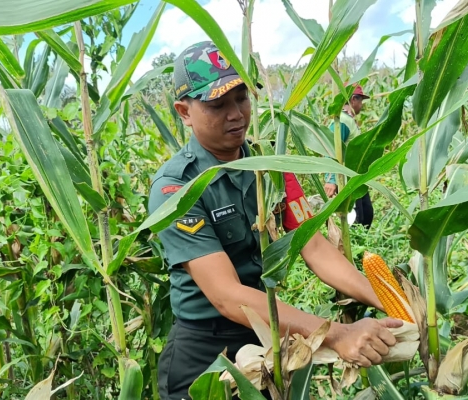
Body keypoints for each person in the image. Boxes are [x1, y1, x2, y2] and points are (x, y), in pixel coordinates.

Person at [147, 41, 403, 400]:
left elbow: (313, 245)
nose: (236, 114)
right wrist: (336, 334)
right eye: (218, 105)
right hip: (206, 349)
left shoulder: (270, 167)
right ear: (184, 112)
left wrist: (389, 297)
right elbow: (226, 296)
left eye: (242, 98)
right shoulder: (175, 188)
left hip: (266, 335)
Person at [323, 83, 374, 230]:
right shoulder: (342, 122)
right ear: (353, 99)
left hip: (356, 178)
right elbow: (331, 149)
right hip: (346, 181)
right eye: (360, 101)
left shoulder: (349, 120)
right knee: (357, 220)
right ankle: (351, 250)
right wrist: (331, 180)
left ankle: (361, 249)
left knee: (366, 215)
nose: (361, 105)